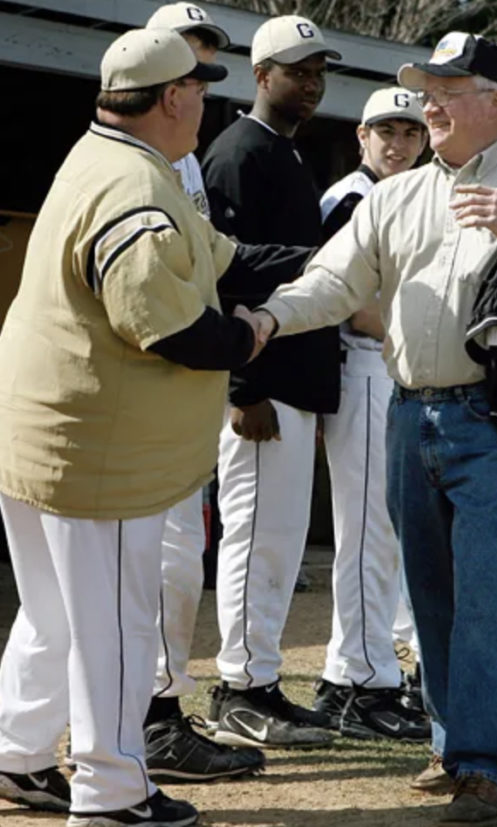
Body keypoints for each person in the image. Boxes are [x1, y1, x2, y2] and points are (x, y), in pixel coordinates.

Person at [249, 31, 497, 825]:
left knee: (481, 599)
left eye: (447, 86)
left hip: (494, 417)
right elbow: (335, 280)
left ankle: (491, 767)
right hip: (410, 413)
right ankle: (454, 745)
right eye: (424, 87)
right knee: (431, 597)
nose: (428, 102)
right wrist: (269, 316)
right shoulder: (396, 195)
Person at [0, 28, 269, 825]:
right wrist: (253, 331)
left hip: (40, 435)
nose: (207, 102)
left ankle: (15, 754)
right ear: (173, 97)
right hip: (97, 451)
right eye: (201, 88)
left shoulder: (102, 156)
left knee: (54, 614)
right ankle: (113, 792)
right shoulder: (135, 185)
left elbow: (221, 256)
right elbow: (171, 328)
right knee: (115, 624)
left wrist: (326, 258)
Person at [201, 15, 341, 748]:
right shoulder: (237, 152)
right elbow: (221, 274)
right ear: (261, 75)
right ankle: (235, 688)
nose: (311, 83)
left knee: (281, 541)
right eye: (297, 70)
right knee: (256, 537)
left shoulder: (288, 152)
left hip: (295, 373)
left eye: (318, 71)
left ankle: (259, 679)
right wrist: (242, 387)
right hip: (263, 380)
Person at [138, 1, 268, 784]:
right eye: (187, 52)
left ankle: (149, 718)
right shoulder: (143, 160)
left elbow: (224, 259)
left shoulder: (183, 161)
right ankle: (150, 723)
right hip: (149, 390)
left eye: (207, 54)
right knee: (165, 565)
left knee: (179, 562)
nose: (198, 67)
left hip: (187, 386)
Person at [312, 87, 432, 741]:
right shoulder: (351, 199)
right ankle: (356, 683)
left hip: (389, 369)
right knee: (367, 532)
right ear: (361, 136)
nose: (399, 143)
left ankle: (363, 673)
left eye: (410, 132)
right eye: (386, 130)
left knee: (382, 532)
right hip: (361, 366)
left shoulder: (398, 196)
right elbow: (350, 304)